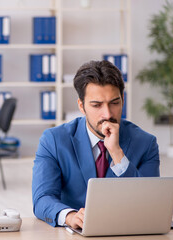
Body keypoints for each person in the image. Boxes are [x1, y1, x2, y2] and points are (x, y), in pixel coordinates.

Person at [32, 60, 160, 229]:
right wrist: (70, 216)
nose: (107, 114)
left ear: (123, 100)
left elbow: (149, 202)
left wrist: (117, 154)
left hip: (127, 231)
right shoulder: (53, 140)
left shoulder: (146, 143)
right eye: (96, 105)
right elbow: (42, 198)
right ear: (81, 106)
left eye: (114, 103)